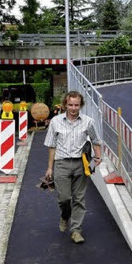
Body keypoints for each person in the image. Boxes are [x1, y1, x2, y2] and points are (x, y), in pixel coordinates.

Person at [44, 91, 102, 244]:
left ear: (80, 105)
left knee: (79, 199)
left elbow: (96, 139)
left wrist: (98, 155)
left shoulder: (88, 122)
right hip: (61, 163)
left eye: (76, 105)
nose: (73, 108)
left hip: (80, 164)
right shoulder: (55, 122)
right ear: (65, 105)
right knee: (64, 198)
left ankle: (76, 230)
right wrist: (50, 168)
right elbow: (51, 145)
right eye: (70, 105)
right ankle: (64, 216)